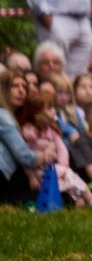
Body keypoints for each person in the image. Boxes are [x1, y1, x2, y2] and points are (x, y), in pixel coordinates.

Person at [1, 70, 47, 205]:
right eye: (15, 86)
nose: (21, 91)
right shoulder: (3, 116)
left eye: (24, 87)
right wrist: (45, 155)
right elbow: (24, 156)